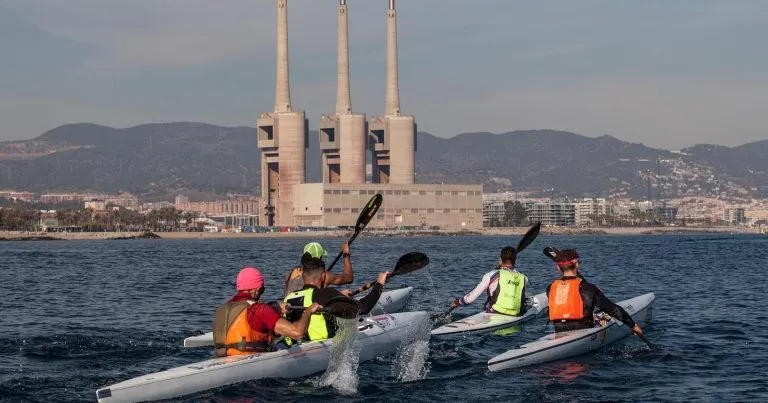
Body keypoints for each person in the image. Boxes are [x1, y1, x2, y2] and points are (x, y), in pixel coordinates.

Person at [213, 267, 321, 357]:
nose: (262, 292)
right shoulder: (261, 310)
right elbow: (297, 333)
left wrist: (275, 309)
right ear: (257, 289)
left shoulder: (221, 309)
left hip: (222, 360)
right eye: (262, 289)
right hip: (250, 363)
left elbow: (250, 318)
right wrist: (308, 311)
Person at [280, 257, 389, 345]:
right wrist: (379, 284)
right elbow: (363, 308)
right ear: (323, 276)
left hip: (295, 347)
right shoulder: (325, 293)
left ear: (303, 276)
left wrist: (340, 296)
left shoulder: (288, 297)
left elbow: (309, 299)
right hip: (320, 347)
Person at [547, 249, 644, 335]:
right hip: (584, 332)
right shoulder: (589, 288)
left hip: (559, 331)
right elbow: (613, 310)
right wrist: (633, 325)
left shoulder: (550, 288)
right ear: (576, 264)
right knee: (602, 314)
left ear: (558, 267)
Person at [448, 246, 532, 316]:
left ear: (500, 259)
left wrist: (458, 302)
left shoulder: (492, 275)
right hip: (515, 315)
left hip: (495, 313)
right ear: (515, 261)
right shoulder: (524, 278)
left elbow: (470, 299)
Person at [284, 241, 354, 296]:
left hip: (290, 308)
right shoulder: (325, 276)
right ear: (320, 258)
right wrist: (346, 255)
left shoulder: (290, 275)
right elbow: (349, 278)